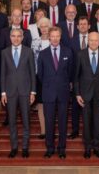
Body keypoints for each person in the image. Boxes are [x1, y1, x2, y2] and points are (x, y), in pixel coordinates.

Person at [37, 27, 73, 159]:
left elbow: (70, 72)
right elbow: (40, 74)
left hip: (63, 93)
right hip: (48, 93)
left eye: (57, 36)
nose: (55, 38)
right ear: (49, 37)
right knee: (49, 122)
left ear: (60, 36)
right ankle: (50, 148)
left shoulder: (68, 52)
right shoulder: (43, 53)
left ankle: (62, 148)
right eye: (53, 36)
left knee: (63, 122)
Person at [74, 32, 99, 159]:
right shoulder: (80, 55)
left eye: (96, 40)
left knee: (97, 122)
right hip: (85, 95)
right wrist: (77, 94)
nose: (94, 42)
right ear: (87, 41)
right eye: (91, 40)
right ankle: (87, 148)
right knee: (87, 122)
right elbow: (76, 77)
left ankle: (97, 147)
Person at [1, 28, 36, 158]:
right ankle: (14, 147)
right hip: (10, 92)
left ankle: (25, 148)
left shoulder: (28, 52)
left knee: (26, 121)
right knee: (12, 121)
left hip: (25, 91)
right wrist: (3, 92)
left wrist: (33, 91)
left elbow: (32, 72)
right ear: (10, 37)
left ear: (22, 37)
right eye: (13, 36)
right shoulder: (4, 52)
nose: (16, 38)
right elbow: (3, 74)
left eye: (18, 36)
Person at [68, 16, 91, 139]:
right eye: (80, 24)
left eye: (85, 24)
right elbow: (70, 62)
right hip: (76, 79)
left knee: (89, 108)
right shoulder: (71, 41)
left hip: (90, 80)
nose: (82, 26)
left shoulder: (94, 40)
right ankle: (75, 130)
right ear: (77, 27)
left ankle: (88, 131)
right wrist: (71, 80)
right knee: (75, 107)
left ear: (89, 26)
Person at [31, 17, 52, 139]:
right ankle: (43, 130)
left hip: (52, 79)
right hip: (39, 78)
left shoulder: (54, 41)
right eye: (42, 26)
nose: (44, 29)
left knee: (52, 105)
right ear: (39, 28)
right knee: (41, 105)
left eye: (46, 26)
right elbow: (32, 62)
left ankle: (51, 130)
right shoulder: (34, 42)